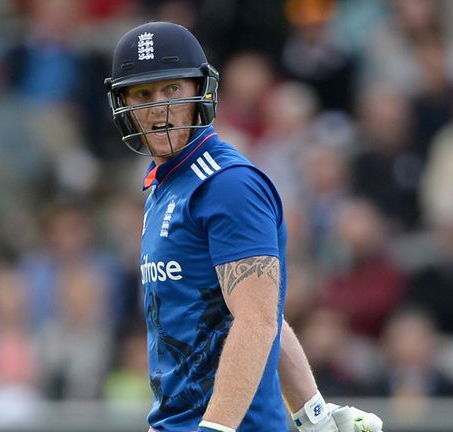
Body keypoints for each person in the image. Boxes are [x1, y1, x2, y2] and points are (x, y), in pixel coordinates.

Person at [105, 22, 383, 432]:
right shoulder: (165, 184)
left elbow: (255, 320)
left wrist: (214, 429)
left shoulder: (227, 184)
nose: (158, 108)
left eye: (172, 90)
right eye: (144, 94)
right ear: (123, 102)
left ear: (200, 91)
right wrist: (315, 415)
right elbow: (258, 306)